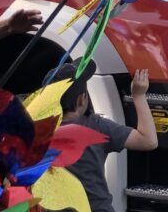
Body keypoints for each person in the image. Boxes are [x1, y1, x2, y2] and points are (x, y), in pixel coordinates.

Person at [56, 60, 159, 212]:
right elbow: (148, 141)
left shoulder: (39, 131)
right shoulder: (95, 126)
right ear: (81, 100)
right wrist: (138, 96)